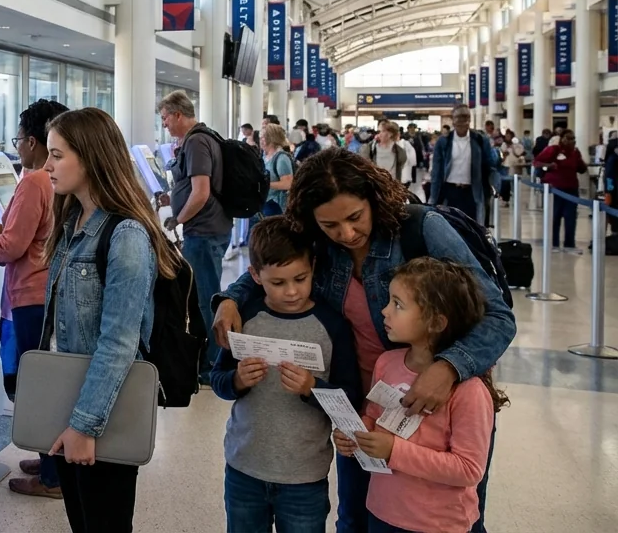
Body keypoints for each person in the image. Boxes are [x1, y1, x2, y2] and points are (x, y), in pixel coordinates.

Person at [211, 149, 516, 533]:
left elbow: (498, 317)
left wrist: (449, 366)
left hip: (435, 402)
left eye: (355, 217)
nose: (347, 234)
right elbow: (271, 269)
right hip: (365, 405)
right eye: (330, 225)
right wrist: (230, 299)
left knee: (452, 518)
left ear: (373, 198)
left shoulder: (422, 228)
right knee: (357, 515)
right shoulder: (319, 242)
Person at [39, 107, 183, 533]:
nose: (47, 165)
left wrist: (85, 424)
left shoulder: (127, 237)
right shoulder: (71, 224)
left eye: (57, 155)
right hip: (71, 397)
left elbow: (120, 342)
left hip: (102, 409)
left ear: (91, 157)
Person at [335, 258, 507, 533]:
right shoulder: (386, 363)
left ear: (436, 322)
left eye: (398, 305)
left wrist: (394, 451)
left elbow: (468, 469)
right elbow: (374, 417)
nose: (384, 311)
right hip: (382, 511)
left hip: (437, 523)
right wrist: (357, 433)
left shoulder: (469, 391)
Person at [212, 217, 360, 533]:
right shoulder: (246, 316)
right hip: (244, 468)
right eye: (278, 283)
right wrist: (237, 380)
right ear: (255, 275)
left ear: (313, 267)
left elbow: (350, 397)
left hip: (304, 476)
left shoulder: (332, 326)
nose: (291, 291)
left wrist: (312, 387)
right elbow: (218, 380)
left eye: (300, 278)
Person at [0, 98, 66, 499]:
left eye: (18, 140)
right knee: (46, 381)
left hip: (29, 294)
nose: (17, 147)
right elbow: (18, 227)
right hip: (45, 290)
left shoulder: (34, 180)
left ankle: (52, 475)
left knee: (34, 385)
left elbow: (12, 244)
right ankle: (51, 458)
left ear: (33, 141)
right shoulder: (55, 178)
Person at [158, 90, 232, 376]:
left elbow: (201, 193)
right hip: (209, 230)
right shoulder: (200, 138)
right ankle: (211, 357)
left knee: (204, 298)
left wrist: (177, 218)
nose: (164, 124)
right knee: (203, 295)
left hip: (204, 232)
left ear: (178, 114)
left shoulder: (197, 142)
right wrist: (172, 197)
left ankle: (213, 362)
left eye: (165, 118)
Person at [428, 106, 492, 224]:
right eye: (459, 117)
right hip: (449, 191)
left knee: (472, 227)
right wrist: (433, 198)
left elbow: (489, 165)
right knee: (449, 227)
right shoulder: (443, 142)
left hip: (471, 192)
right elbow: (436, 172)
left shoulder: (480, 140)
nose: (463, 121)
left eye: (466, 117)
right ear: (453, 120)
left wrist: (492, 186)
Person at [534, 129, 588, 254]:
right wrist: (549, 166)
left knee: (571, 217)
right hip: (555, 188)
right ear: (562, 139)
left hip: (571, 189)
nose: (571, 141)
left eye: (573, 138)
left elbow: (581, 169)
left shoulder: (575, 153)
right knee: (555, 216)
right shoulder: (553, 149)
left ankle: (569, 244)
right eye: (568, 138)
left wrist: (581, 161)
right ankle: (553, 243)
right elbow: (537, 162)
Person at [260, 123, 294, 217]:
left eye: (263, 137)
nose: (260, 141)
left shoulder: (281, 158)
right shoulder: (265, 156)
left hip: (276, 205)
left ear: (271, 139)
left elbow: (288, 184)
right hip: (266, 203)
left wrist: (265, 184)